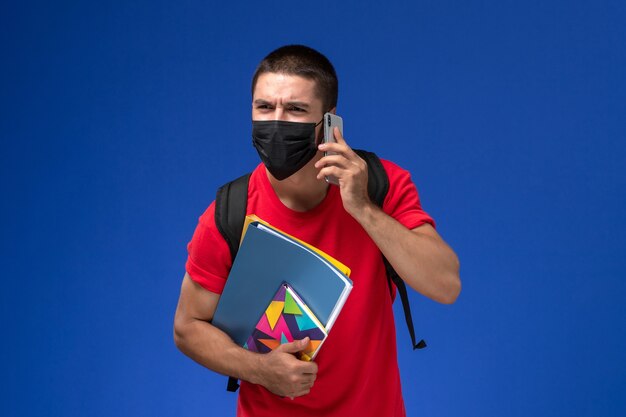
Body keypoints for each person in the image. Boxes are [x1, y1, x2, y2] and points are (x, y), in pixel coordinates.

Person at [174, 44, 461, 417]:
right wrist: (258, 369)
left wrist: (362, 209)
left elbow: (445, 284)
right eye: (264, 108)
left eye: (295, 109)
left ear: (328, 121)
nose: (276, 122)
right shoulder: (229, 212)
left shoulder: (381, 185)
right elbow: (187, 327)